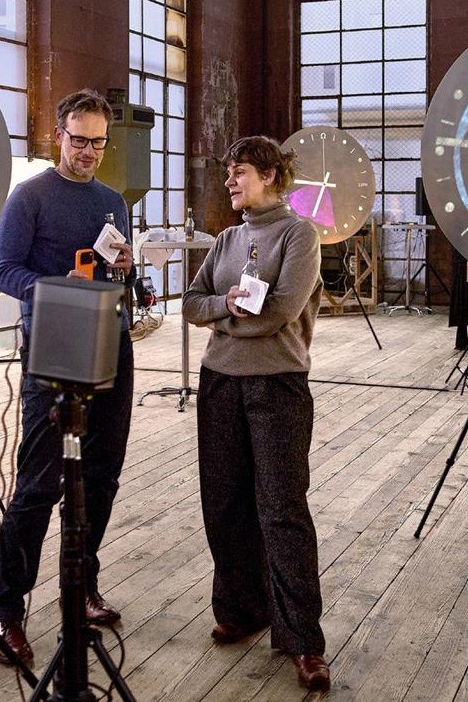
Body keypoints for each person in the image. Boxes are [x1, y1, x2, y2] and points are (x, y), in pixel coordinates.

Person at [0, 89, 135, 664]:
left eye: (99, 142)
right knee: (38, 484)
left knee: (101, 477)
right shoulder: (29, 197)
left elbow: (120, 277)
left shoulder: (113, 202)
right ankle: (5, 610)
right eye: (80, 140)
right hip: (53, 353)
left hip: (110, 348)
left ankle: (83, 585)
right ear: (59, 136)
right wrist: (56, 288)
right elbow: (5, 271)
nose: (89, 151)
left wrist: (125, 269)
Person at [182, 136, 331, 691]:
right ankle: (243, 610)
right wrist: (227, 306)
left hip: (276, 385)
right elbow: (190, 303)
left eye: (239, 171)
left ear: (269, 175)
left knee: (282, 509)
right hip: (219, 382)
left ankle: (303, 641)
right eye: (228, 172)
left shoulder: (299, 235)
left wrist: (220, 319)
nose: (230, 181)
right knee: (224, 503)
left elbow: (279, 312)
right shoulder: (226, 240)